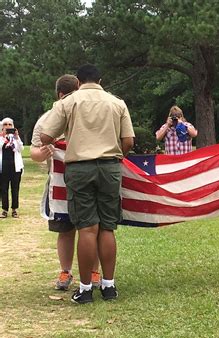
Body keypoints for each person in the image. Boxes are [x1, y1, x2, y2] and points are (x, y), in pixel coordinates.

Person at [40, 64, 135, 304]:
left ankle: (84, 290)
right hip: (110, 167)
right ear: (100, 80)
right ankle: (109, 286)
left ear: (79, 82)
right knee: (107, 227)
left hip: (80, 168)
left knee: (87, 228)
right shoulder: (117, 102)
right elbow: (128, 141)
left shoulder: (68, 102)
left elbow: (45, 137)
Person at [30, 74, 101, 291]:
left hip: (88, 179)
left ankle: (93, 273)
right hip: (60, 185)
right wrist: (42, 153)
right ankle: (65, 271)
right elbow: (34, 152)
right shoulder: (47, 119)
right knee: (66, 229)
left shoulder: (89, 115)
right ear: (61, 95)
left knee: (91, 229)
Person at [0, 118, 24, 218]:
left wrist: (17, 137)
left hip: (15, 167)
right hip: (3, 167)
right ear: (2, 126)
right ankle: (4, 209)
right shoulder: (1, 137)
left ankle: (14, 209)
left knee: (15, 188)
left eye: (10, 124)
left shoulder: (15, 138)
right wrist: (3, 136)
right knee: (3, 189)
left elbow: (21, 148)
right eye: (5, 124)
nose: (8, 126)